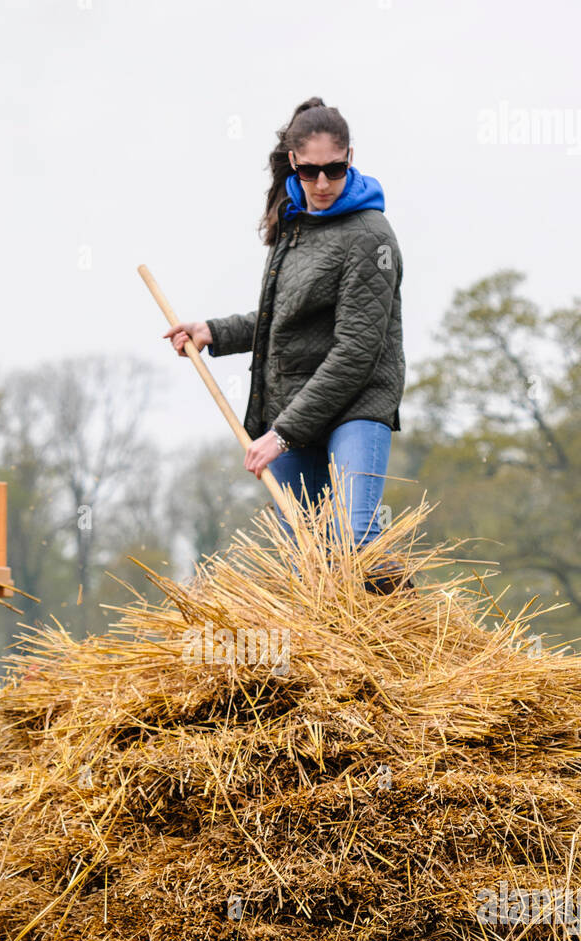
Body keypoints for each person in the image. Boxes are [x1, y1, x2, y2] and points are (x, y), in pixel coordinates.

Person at [166, 96, 408, 593]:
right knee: (304, 554)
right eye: (311, 171)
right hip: (295, 401)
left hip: (357, 401)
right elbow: (284, 320)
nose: (322, 183)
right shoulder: (293, 228)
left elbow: (356, 351)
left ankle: (404, 652)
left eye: (335, 170)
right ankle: (327, 664)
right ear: (293, 163)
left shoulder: (371, 237)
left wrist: (281, 434)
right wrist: (214, 331)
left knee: (355, 536)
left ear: (351, 158)